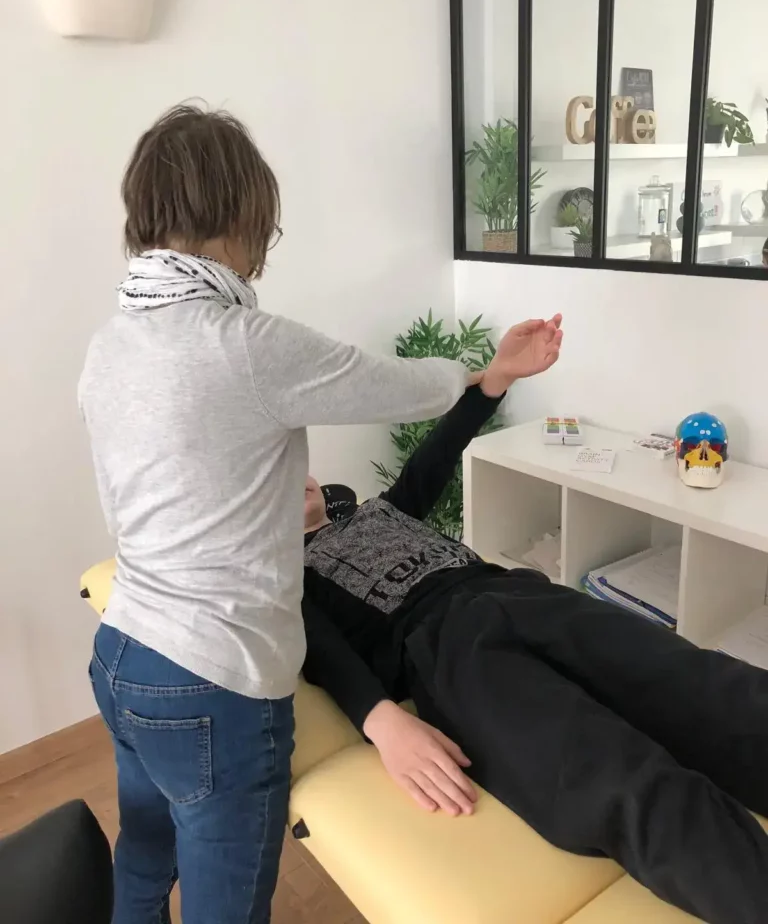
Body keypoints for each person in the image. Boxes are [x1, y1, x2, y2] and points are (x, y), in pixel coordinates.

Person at [79, 103, 540, 924]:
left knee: (144, 861)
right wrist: (481, 372)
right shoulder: (241, 343)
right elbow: (397, 385)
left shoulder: (112, 344)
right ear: (244, 216)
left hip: (122, 654)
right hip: (211, 681)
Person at [301, 335, 768, 924]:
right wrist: (381, 719)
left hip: (520, 595)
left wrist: (496, 380)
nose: (297, 475)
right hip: (447, 651)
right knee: (618, 780)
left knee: (706, 686)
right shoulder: (286, 576)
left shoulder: (381, 509)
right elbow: (318, 648)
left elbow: (435, 456)